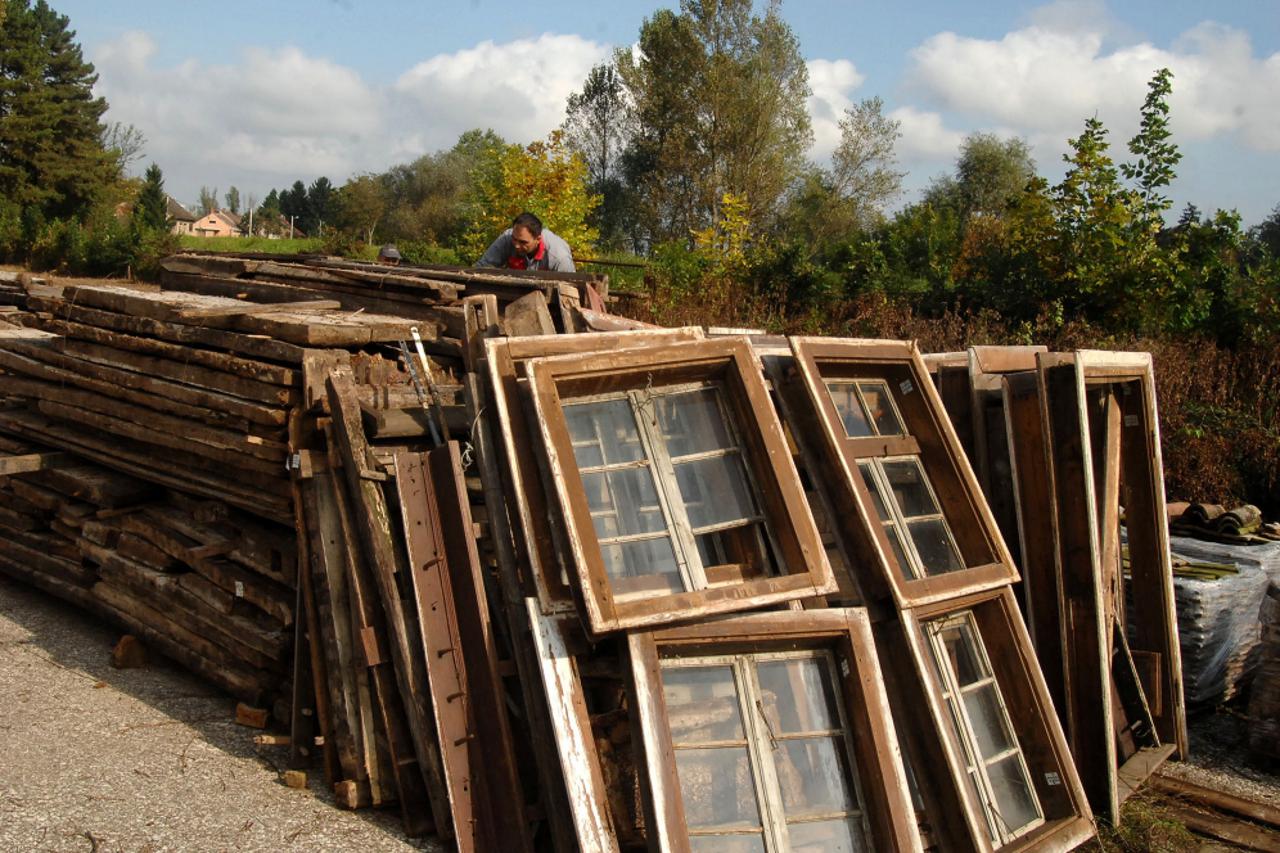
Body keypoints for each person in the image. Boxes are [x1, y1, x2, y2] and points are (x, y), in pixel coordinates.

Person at [475, 212, 575, 272]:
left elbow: (571, 291)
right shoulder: (506, 238)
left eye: (523, 242)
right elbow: (482, 268)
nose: (517, 245)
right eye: (514, 239)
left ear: (538, 239)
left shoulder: (559, 257)